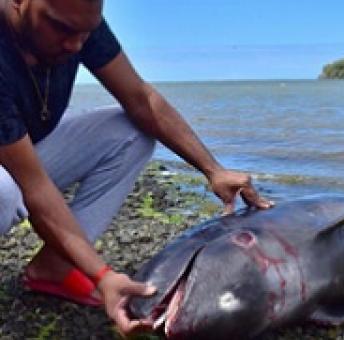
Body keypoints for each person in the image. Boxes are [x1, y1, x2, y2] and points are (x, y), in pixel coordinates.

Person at [0, 0, 273, 336]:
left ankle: (55, 267)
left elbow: (140, 99)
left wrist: (212, 169)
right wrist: (103, 276)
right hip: (9, 171)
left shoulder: (77, 21)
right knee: (6, 192)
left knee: (131, 133)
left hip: (17, 151)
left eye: (85, 32)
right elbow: (35, 187)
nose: (74, 45)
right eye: (61, 28)